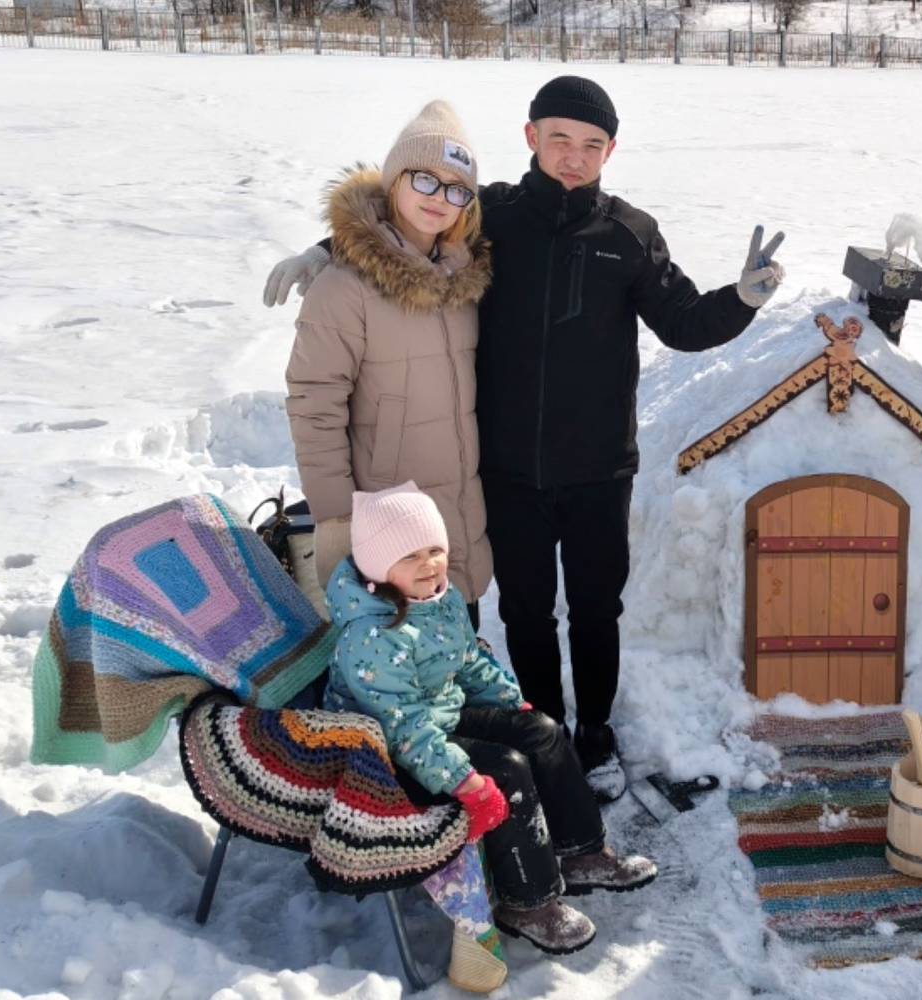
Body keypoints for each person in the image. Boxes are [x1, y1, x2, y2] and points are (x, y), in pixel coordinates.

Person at [267, 77, 786, 801]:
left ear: (611, 150)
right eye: (560, 139)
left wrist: (744, 299)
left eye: (591, 146)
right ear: (531, 136)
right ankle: (543, 732)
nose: (574, 158)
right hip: (506, 470)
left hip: (600, 467)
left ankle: (596, 733)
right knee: (526, 612)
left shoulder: (629, 234)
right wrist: (329, 250)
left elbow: (683, 323)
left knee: (598, 609)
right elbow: (412, 230)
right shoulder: (493, 217)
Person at [325, 483, 658, 968]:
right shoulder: (372, 636)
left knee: (541, 731)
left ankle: (583, 852)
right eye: (411, 555)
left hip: (439, 714)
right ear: (377, 566)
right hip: (391, 750)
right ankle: (529, 901)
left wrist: (511, 705)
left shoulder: (440, 599)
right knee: (505, 768)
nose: (430, 564)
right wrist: (463, 780)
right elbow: (404, 728)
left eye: (435, 549)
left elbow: (469, 666)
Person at [284, 100, 494, 615]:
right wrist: (339, 521)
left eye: (456, 188)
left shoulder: (465, 276)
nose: (438, 199)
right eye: (424, 179)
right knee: (387, 677)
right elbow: (314, 405)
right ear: (393, 180)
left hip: (454, 523)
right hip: (383, 525)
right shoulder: (344, 287)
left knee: (450, 660)